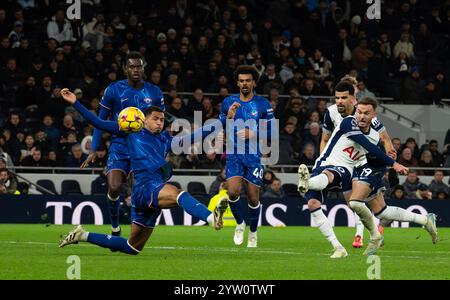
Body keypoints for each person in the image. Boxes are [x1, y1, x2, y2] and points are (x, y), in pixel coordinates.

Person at [58, 89, 226, 254]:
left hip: (148, 191)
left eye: (162, 120)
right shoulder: (131, 132)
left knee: (132, 247)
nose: (160, 122)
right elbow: (98, 122)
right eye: (155, 119)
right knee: (178, 194)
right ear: (144, 120)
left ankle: (83, 235)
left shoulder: (165, 140)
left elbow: (194, 137)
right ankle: (212, 218)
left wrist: (221, 121)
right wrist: (76, 103)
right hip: (146, 186)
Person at [298, 97, 409, 258]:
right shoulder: (348, 122)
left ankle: (306, 182)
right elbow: (368, 145)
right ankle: (338, 247)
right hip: (323, 163)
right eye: (360, 112)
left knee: (340, 187)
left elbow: (377, 144)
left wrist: (389, 158)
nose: (362, 116)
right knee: (313, 204)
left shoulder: (374, 134)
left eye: (366, 113)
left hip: (345, 170)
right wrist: (393, 163)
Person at [81, 52, 165, 238]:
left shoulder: (154, 92)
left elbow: (160, 123)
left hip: (143, 146)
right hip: (119, 144)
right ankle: (115, 226)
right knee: (114, 187)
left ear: (144, 69)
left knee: (139, 189)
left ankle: (135, 232)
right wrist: (94, 148)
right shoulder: (113, 90)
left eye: (139, 66)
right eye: (132, 66)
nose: (136, 70)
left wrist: (160, 148)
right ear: (125, 69)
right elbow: (99, 121)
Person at [320, 79, 396, 248]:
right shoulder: (331, 113)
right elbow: (324, 139)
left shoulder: (363, 112)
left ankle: (365, 234)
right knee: (354, 202)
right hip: (344, 162)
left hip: (364, 161)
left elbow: (383, 135)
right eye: (338, 97)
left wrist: (390, 153)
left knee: (364, 201)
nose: (341, 101)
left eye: (345, 97)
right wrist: (325, 162)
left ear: (352, 97)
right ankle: (370, 232)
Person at [219, 65, 276, 248]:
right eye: (241, 80)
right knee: (233, 191)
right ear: (237, 83)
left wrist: (255, 132)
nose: (244, 83)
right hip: (234, 154)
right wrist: (229, 117)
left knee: (253, 197)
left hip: (253, 156)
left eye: (248, 80)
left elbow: (272, 131)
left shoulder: (263, 104)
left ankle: (253, 231)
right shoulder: (228, 102)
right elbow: (223, 127)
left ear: (254, 82)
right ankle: (239, 223)